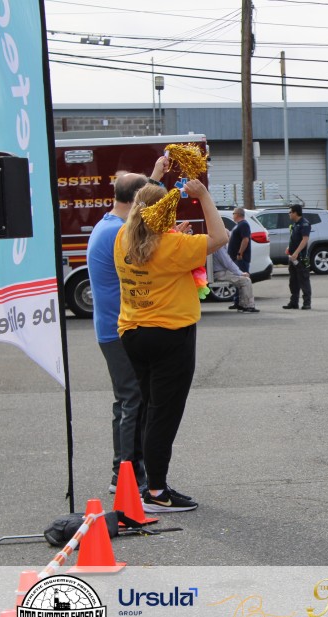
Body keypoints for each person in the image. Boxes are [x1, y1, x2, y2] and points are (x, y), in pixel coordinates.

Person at [114, 178, 228, 512]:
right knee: (164, 415)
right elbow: (220, 237)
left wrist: (171, 232)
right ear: (165, 212)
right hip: (170, 335)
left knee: (150, 409)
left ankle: (148, 483)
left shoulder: (123, 237)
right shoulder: (174, 246)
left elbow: (152, 245)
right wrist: (203, 195)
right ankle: (157, 492)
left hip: (133, 332)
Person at [88, 160, 170, 494]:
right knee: (133, 400)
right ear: (136, 200)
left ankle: (122, 470)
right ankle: (128, 475)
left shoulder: (108, 224)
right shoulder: (117, 233)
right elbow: (149, 259)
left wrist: (156, 175)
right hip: (118, 329)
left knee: (126, 400)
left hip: (112, 327)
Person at [212, 243, 259, 313]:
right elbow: (227, 263)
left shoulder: (216, 246)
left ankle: (242, 305)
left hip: (220, 272)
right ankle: (248, 306)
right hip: (221, 273)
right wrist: (240, 273)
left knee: (242, 280)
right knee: (246, 281)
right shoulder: (219, 248)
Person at [283, 204, 312, 310]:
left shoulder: (304, 224)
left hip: (300, 258)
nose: (289, 214)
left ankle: (307, 303)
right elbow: (294, 239)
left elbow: (305, 239)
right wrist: (289, 248)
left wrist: (296, 253)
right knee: (293, 281)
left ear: (295, 213)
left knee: (304, 280)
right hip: (292, 257)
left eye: (290, 212)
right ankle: (294, 302)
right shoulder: (295, 224)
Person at [227, 207, 252, 310]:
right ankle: (237, 301)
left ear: (238, 214)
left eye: (233, 213)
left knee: (243, 280)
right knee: (238, 281)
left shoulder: (244, 225)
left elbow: (245, 239)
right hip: (234, 258)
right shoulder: (238, 225)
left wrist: (240, 252)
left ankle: (244, 303)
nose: (233, 215)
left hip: (241, 258)